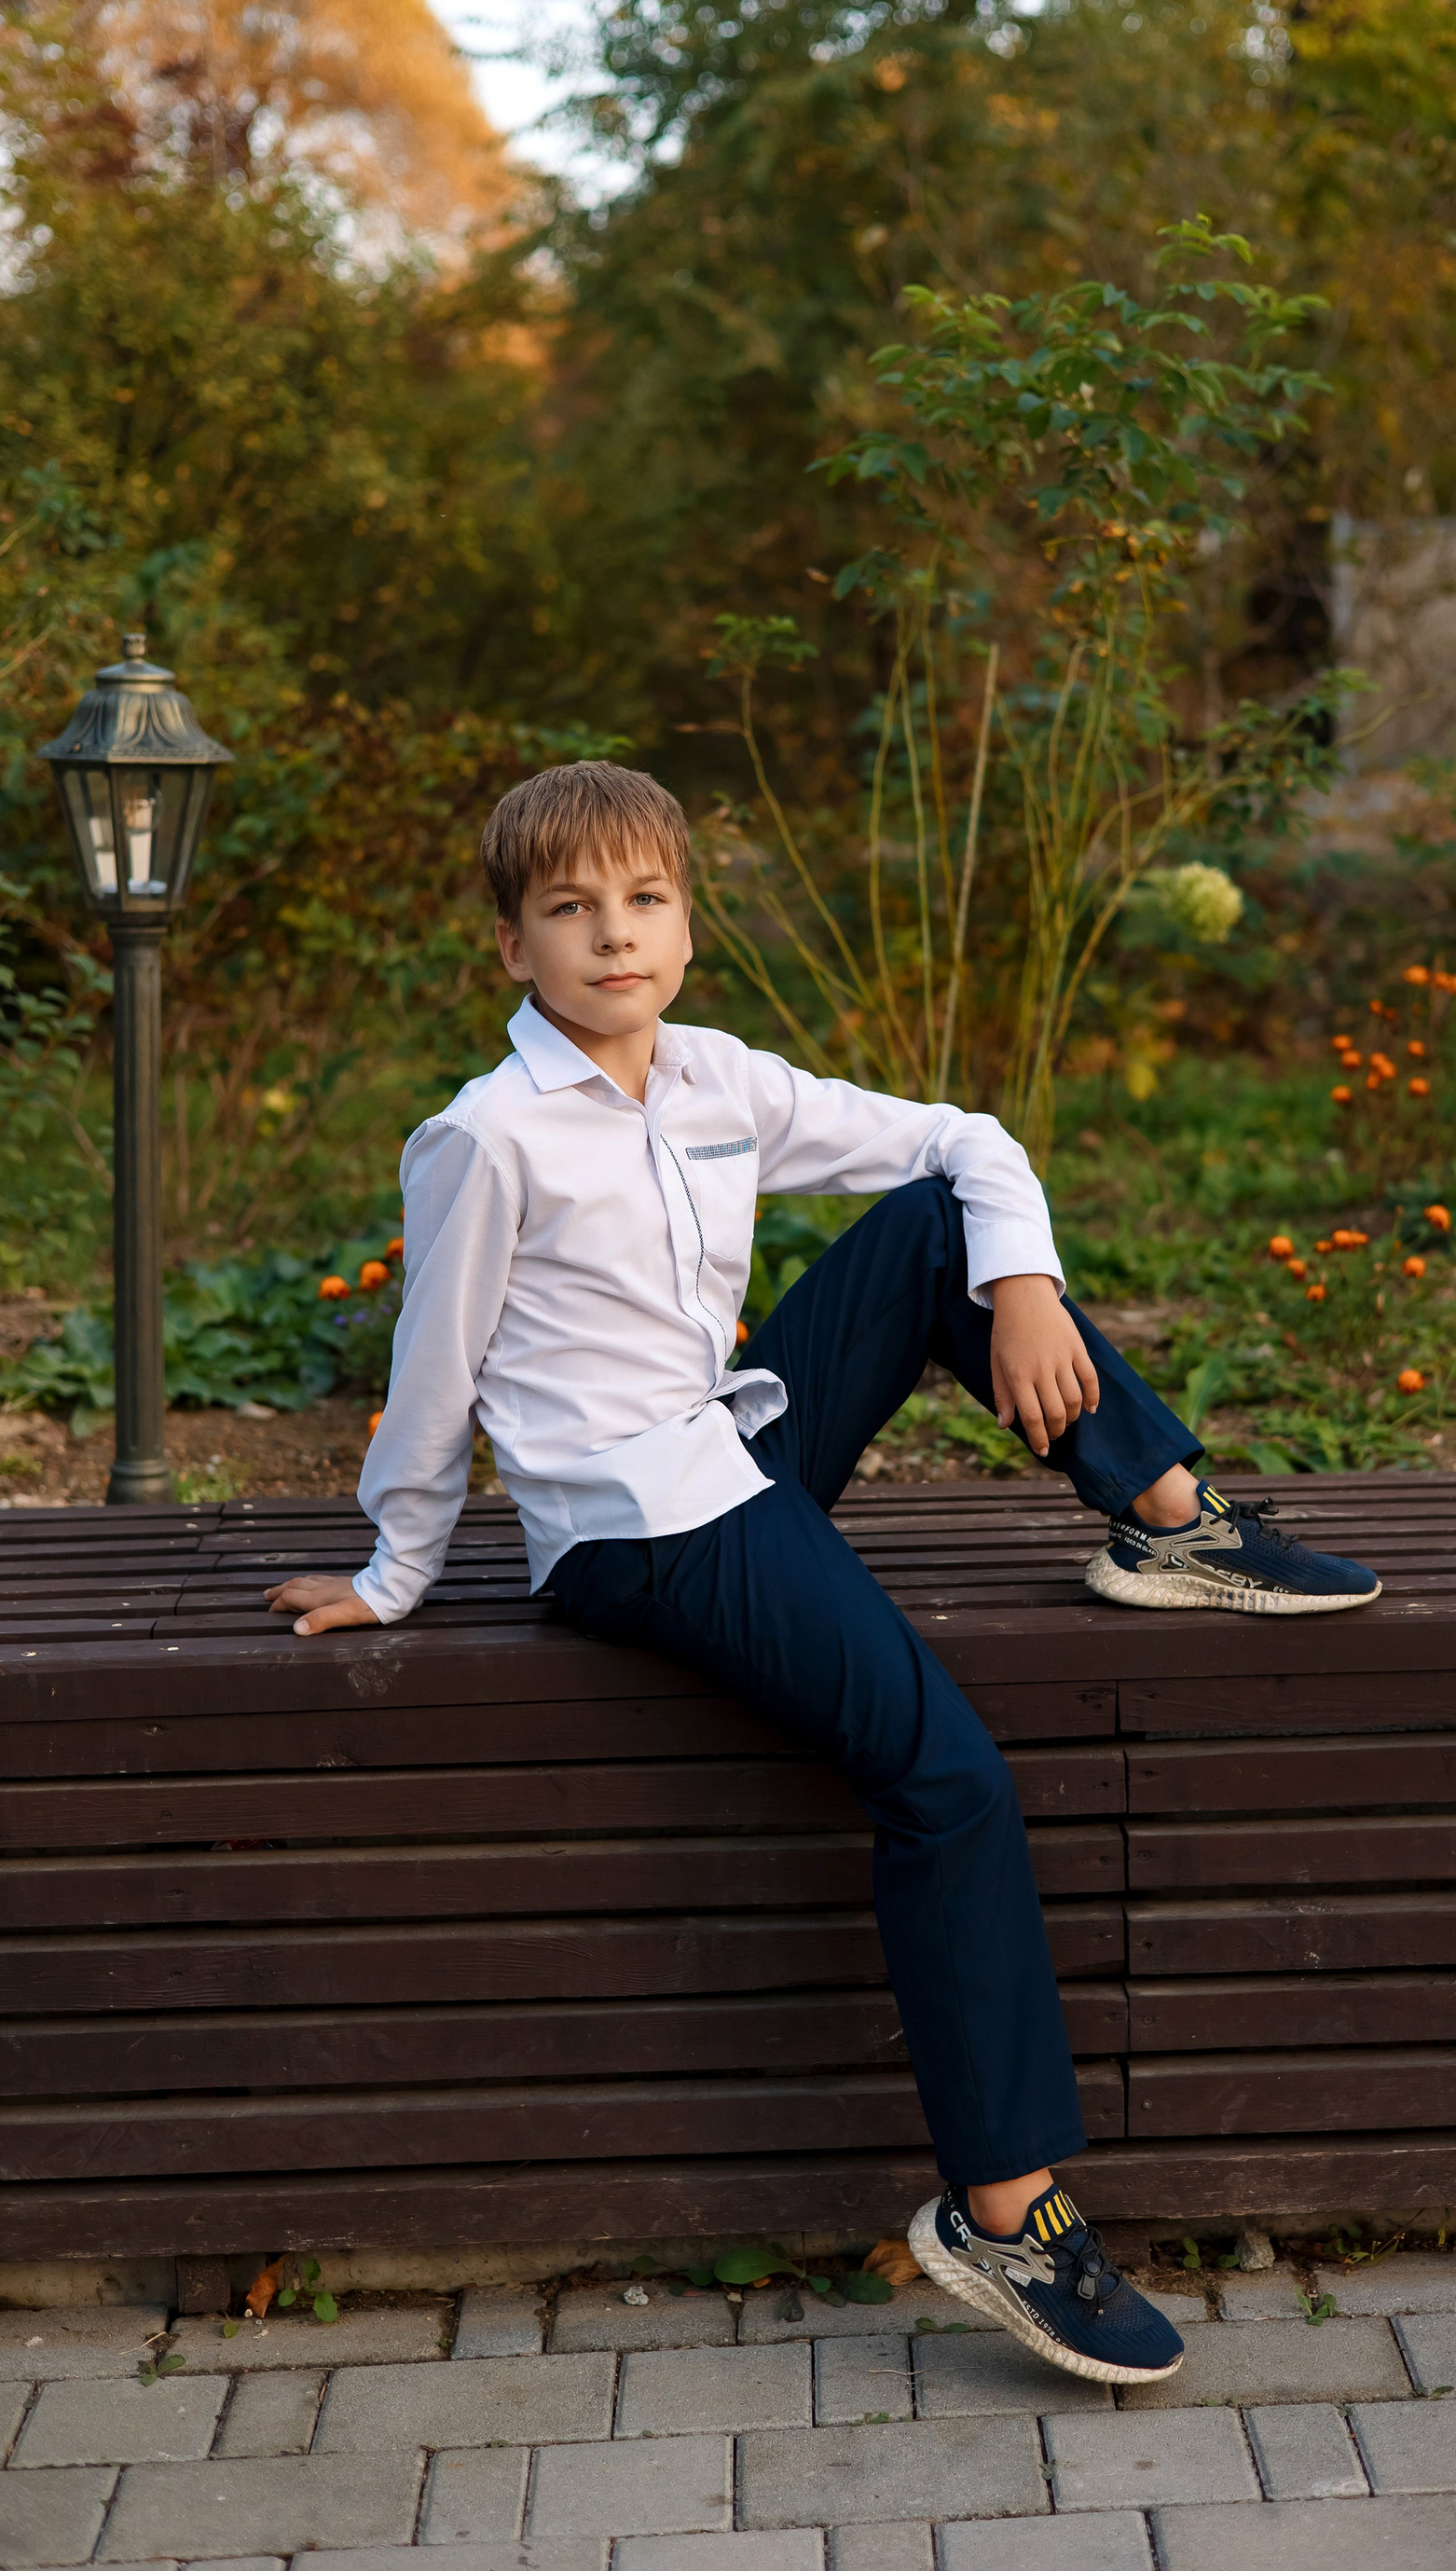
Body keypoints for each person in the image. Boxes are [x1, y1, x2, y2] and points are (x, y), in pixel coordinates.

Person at [267, 760, 1380, 2386]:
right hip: (638, 1528)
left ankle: (1169, 1517)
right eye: (570, 909)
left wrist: (1020, 1285)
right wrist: (397, 1568)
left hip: (733, 1452)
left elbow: (968, 1140)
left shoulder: (716, 1076)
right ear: (513, 945)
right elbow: (433, 1366)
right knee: (950, 1781)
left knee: (938, 1221)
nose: (613, 935)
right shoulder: (486, 1137)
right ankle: (1005, 2215)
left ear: (686, 926)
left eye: (645, 900)